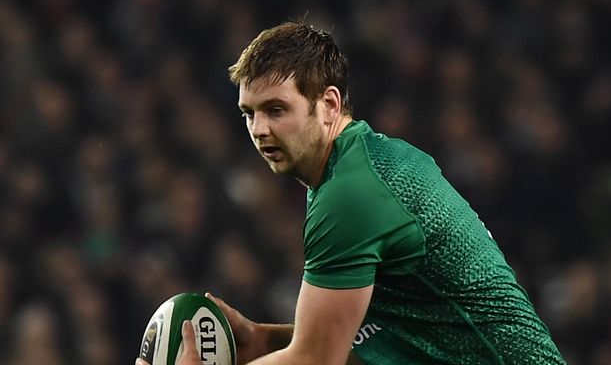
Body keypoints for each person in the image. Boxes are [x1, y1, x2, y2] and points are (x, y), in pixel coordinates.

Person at [136, 21, 564, 365]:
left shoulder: (350, 196)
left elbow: (318, 359)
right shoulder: (363, 164)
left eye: (276, 109)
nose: (259, 129)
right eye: (249, 113)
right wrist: (262, 339)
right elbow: (373, 342)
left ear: (328, 104)